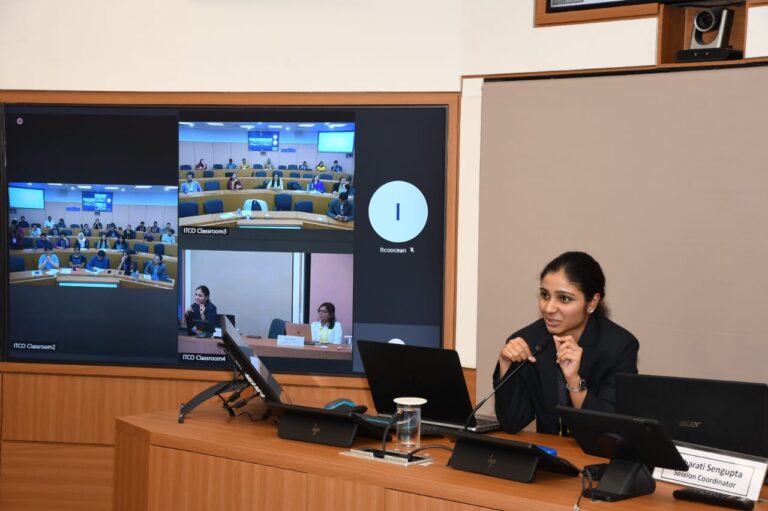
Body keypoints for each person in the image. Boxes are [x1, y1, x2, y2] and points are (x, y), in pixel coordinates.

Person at [493, 252, 639, 436]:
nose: (549, 308)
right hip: (548, 454)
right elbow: (512, 422)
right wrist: (505, 366)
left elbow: (610, 430)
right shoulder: (527, 340)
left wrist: (574, 381)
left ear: (592, 302)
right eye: (545, 295)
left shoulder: (619, 347)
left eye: (564, 298)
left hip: (596, 458)